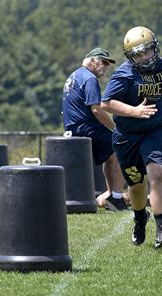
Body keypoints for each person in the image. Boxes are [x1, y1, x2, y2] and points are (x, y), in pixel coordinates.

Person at [101, 26, 162, 249]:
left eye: (147, 52)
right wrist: (134, 111)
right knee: (137, 185)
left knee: (157, 173)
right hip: (128, 135)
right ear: (131, 57)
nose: (144, 58)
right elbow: (106, 103)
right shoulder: (125, 74)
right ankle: (140, 217)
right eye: (138, 55)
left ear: (155, 48)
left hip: (157, 129)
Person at [62, 47, 128, 211]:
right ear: (92, 61)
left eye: (108, 63)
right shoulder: (90, 78)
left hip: (73, 127)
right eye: (103, 62)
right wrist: (116, 128)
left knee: (110, 157)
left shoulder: (74, 75)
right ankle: (117, 197)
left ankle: (111, 193)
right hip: (87, 127)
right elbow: (97, 110)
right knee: (124, 147)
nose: (106, 66)